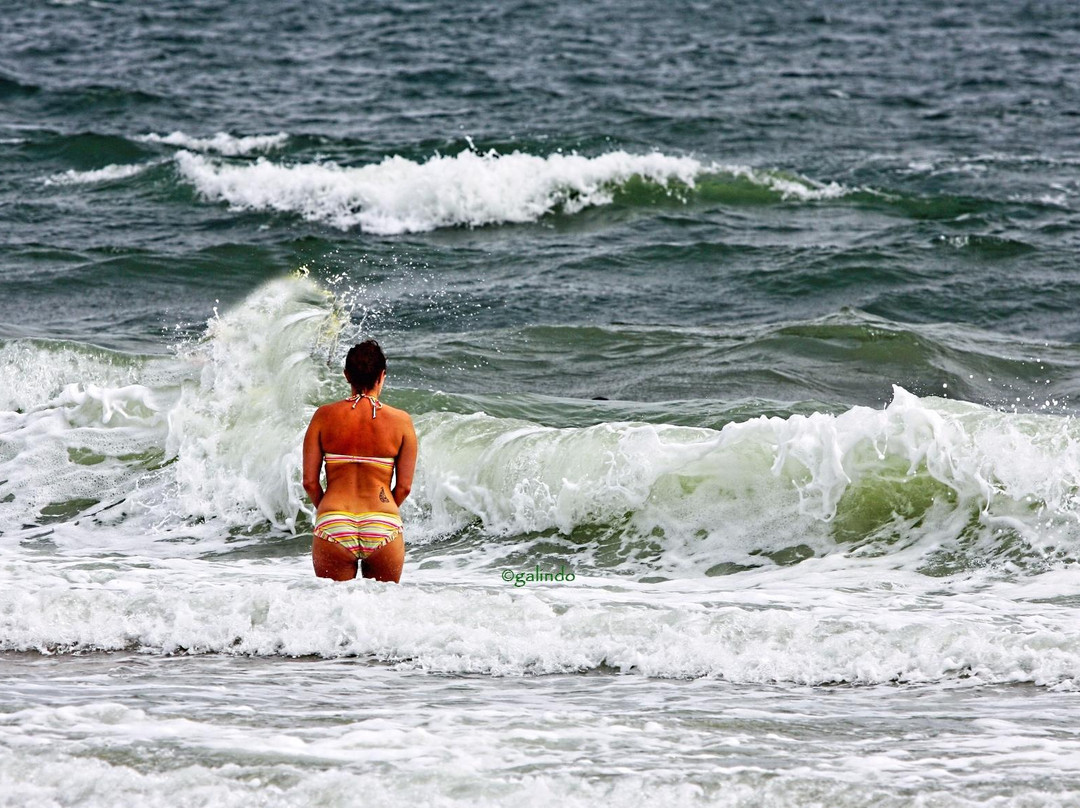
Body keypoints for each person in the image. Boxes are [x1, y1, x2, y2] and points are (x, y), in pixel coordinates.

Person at [302, 340, 417, 583]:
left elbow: (310, 482)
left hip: (334, 521)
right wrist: (384, 509)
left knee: (333, 611)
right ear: (382, 375)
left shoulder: (323, 416)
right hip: (382, 522)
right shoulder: (401, 421)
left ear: (346, 375)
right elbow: (404, 487)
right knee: (383, 610)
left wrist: (328, 509)